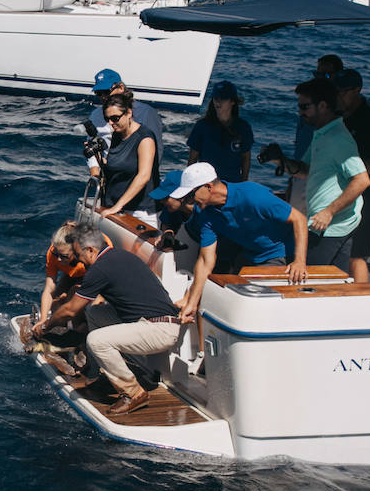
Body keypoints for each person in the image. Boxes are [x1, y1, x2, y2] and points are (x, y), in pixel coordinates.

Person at [32, 225, 181, 415]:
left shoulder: (99, 269)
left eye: (78, 254)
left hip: (159, 330)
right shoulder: (118, 256)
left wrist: (45, 326)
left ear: (91, 250)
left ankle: (133, 393)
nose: (77, 259)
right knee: (95, 313)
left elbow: (70, 310)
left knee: (97, 341)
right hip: (152, 321)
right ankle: (96, 375)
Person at [173, 162, 309, 324]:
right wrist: (191, 303)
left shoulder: (252, 195)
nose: (189, 202)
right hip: (249, 253)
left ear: (208, 187)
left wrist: (299, 261)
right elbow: (204, 261)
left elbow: (299, 219)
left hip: (279, 253)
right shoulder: (206, 214)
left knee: (248, 303)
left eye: (190, 196)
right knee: (230, 292)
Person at [276, 78, 370, 272]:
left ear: (323, 105)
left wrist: (329, 212)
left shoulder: (338, 139)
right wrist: (278, 160)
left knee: (302, 280)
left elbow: (362, 180)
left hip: (329, 228)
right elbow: (305, 170)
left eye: (304, 107)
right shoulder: (321, 134)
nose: (300, 112)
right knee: (331, 286)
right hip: (327, 227)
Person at [335, 69, 370, 282]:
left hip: (368, 195)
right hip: (344, 193)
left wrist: (343, 168)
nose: (338, 96)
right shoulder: (341, 118)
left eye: (342, 92)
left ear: (356, 91)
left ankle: (358, 297)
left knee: (357, 254)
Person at [288, 54, 345, 212]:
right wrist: (293, 178)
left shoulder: (340, 112)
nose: (320, 79)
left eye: (326, 75)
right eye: (317, 74)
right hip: (302, 175)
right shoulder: (307, 109)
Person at [86, 68, 163, 178]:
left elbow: (157, 150)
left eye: (106, 92)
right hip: (109, 175)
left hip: (139, 176)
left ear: (121, 88)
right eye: (98, 93)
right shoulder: (95, 116)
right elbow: (91, 145)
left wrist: (145, 177)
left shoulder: (147, 113)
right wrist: (95, 172)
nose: (103, 97)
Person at [99, 91, 160, 226]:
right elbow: (115, 166)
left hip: (140, 211)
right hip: (116, 207)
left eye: (115, 118)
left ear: (129, 113)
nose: (110, 123)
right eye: (107, 118)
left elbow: (144, 176)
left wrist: (117, 206)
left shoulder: (145, 138)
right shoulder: (117, 135)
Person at [187, 80, 253, 183]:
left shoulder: (243, 128)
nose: (218, 101)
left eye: (223, 98)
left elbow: (246, 159)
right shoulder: (202, 126)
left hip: (232, 185)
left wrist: (243, 185)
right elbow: (192, 159)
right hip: (206, 186)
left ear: (233, 101)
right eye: (216, 98)